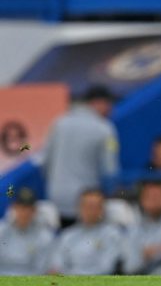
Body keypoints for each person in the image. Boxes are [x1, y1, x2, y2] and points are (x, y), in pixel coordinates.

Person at [42, 85, 119, 228]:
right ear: (99, 103)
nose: (111, 109)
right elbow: (110, 169)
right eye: (109, 104)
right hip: (88, 201)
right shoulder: (105, 129)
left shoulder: (59, 123)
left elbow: (44, 161)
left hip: (56, 197)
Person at [48, 189, 123, 275]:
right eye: (88, 206)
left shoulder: (112, 234)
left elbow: (107, 268)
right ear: (78, 208)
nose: (92, 211)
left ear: (103, 209)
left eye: (96, 206)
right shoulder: (67, 235)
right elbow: (57, 266)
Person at [0, 188, 54, 275]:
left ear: (35, 211)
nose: (25, 213)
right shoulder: (2, 231)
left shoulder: (44, 237)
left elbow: (41, 270)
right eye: (21, 208)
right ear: (14, 208)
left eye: (29, 209)